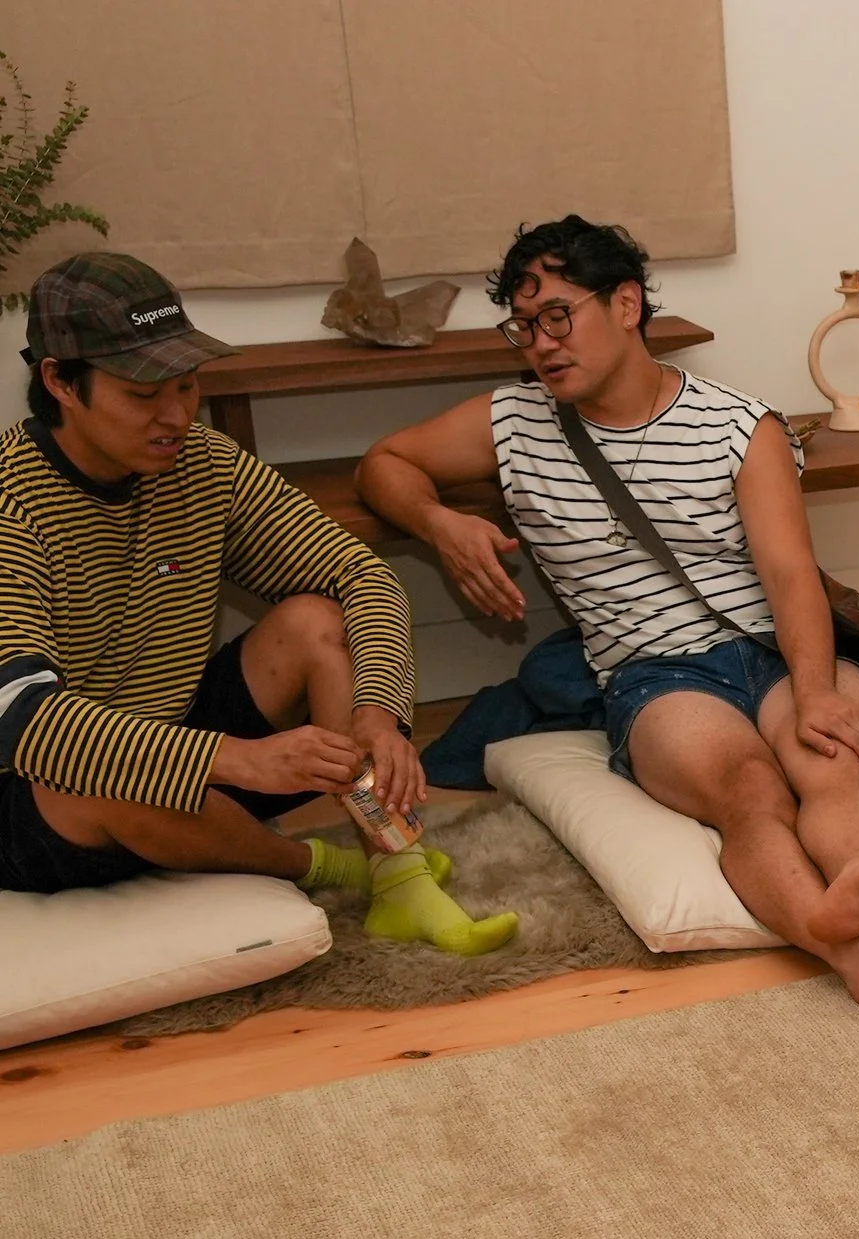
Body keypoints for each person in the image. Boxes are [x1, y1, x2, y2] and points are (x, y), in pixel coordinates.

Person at [359, 217, 859, 1007]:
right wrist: (440, 524)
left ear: (627, 304)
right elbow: (383, 464)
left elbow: (789, 576)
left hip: (774, 647)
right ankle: (843, 940)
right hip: (656, 675)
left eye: (559, 316)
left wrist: (814, 690)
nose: (541, 342)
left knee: (829, 759)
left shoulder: (741, 427)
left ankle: (858, 895)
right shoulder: (513, 423)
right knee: (750, 789)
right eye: (524, 326)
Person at [0, 251, 514, 954]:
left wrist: (379, 712)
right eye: (143, 396)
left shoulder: (203, 463)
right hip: (41, 801)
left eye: (187, 387)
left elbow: (360, 576)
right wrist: (241, 761)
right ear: (60, 381)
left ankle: (397, 873)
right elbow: (23, 721)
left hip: (186, 742)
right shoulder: (11, 503)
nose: (175, 416)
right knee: (108, 776)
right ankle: (323, 869)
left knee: (316, 622)